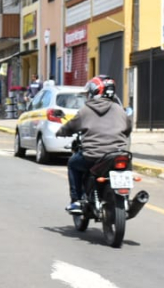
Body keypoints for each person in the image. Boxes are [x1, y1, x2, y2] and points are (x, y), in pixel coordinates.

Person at [55, 76, 132, 213]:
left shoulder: (85, 110)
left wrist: (60, 132)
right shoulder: (119, 109)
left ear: (94, 92)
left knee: (73, 164)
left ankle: (76, 200)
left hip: (92, 156)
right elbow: (128, 129)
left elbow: (70, 126)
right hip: (118, 154)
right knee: (126, 165)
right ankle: (125, 198)